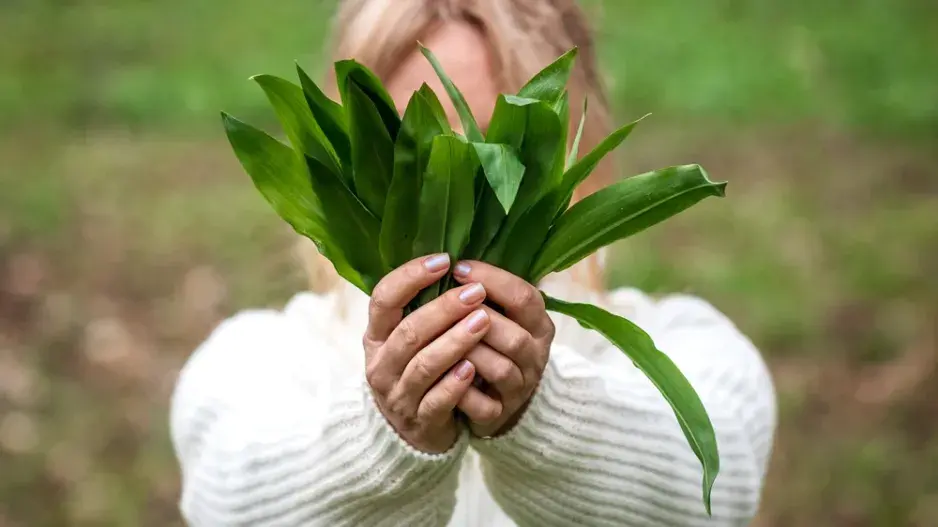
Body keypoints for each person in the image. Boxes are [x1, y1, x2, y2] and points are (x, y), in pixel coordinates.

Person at [169, 0, 777, 525]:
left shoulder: (688, 347)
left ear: (587, 160)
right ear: (340, 169)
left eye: (501, 148)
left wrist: (543, 414)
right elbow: (230, 492)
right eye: (414, 152)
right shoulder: (260, 361)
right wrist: (382, 436)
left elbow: (718, 490)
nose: (455, 197)